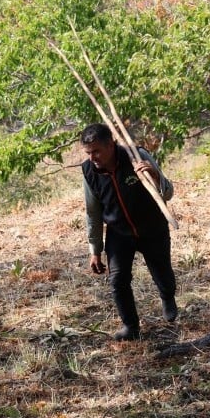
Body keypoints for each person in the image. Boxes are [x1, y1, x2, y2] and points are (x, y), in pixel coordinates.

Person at [79, 123, 178, 341]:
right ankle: (130, 326)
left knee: (163, 273)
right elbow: (92, 212)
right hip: (119, 232)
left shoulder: (136, 156)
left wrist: (153, 175)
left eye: (96, 151)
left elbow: (168, 193)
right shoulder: (88, 171)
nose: (92, 157)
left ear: (110, 144)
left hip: (152, 226)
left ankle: (167, 297)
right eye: (88, 153)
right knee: (117, 280)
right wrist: (95, 249)